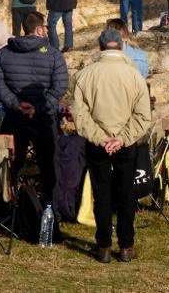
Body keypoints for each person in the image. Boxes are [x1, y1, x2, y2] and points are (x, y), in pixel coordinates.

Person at [71, 28, 152, 264]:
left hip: (99, 144)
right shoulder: (134, 75)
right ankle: (126, 246)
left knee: (102, 194)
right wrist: (122, 138)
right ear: (121, 45)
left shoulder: (86, 75)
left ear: (101, 46)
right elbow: (143, 116)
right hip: (124, 144)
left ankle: (104, 245)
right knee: (126, 194)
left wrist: (100, 137)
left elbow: (80, 115)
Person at [0, 11, 68, 202]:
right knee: (50, 166)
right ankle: (52, 210)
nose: (48, 31)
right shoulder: (53, 54)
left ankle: (10, 206)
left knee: (12, 165)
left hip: (14, 118)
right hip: (44, 119)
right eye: (47, 27)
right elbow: (60, 86)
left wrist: (15, 104)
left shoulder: (4, 53)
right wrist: (39, 107)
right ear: (39, 29)